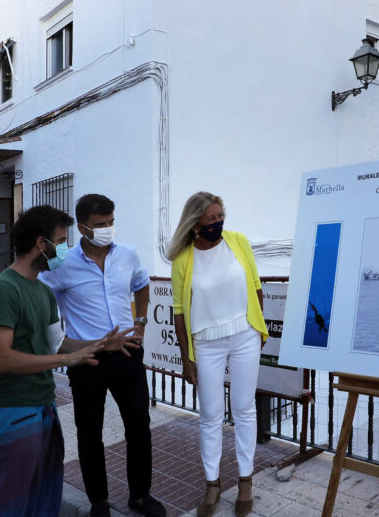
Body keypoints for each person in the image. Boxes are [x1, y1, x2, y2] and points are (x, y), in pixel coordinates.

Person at [0, 205, 115, 517]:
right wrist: (66, 358)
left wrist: (100, 344)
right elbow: (1, 360)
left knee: (43, 503)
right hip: (12, 413)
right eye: (61, 241)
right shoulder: (3, 290)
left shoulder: (43, 292)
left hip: (43, 410)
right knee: (9, 507)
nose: (65, 249)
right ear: (41, 244)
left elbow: (57, 344)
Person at [38, 194, 165, 517]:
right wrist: (60, 340)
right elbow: (40, 296)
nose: (108, 229)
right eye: (100, 225)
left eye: (111, 222)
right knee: (89, 432)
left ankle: (140, 495)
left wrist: (140, 323)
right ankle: (98, 501)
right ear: (82, 227)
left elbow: (142, 284)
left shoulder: (128, 254)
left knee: (139, 426)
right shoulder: (61, 262)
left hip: (128, 352)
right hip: (88, 358)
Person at [167, 192, 268, 517]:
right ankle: (212, 483)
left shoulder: (238, 241)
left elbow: (256, 286)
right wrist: (187, 358)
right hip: (206, 343)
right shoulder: (183, 259)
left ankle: (245, 480)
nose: (218, 223)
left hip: (244, 335)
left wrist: (258, 328)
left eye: (220, 216)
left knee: (244, 410)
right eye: (211, 219)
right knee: (210, 415)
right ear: (196, 223)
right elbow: (179, 313)